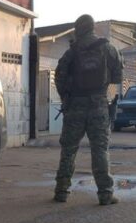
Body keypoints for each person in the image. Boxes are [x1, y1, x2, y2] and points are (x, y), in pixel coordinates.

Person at [53, 14, 124, 205]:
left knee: (68, 150)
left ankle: (61, 192)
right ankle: (105, 194)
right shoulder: (108, 48)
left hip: (75, 106)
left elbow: (59, 77)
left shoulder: (72, 51)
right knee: (100, 150)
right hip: (98, 106)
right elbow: (118, 76)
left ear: (78, 29)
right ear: (92, 28)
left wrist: (66, 98)